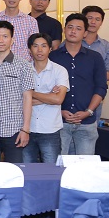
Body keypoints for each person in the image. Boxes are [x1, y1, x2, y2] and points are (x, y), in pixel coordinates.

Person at [49, 14, 108, 155]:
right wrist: (59, 111)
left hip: (86, 123)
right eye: (70, 27)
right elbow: (44, 88)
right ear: (64, 30)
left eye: (78, 28)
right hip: (58, 122)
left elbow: (101, 88)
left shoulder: (95, 57)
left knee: (85, 166)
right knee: (58, 165)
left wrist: (88, 112)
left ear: (85, 33)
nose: (73, 31)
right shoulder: (52, 57)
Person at [0, 21, 36, 163]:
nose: (0, 40)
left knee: (14, 171)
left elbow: (27, 98)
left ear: (12, 40)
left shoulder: (24, 65)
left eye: (5, 36)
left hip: (14, 130)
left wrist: (25, 129)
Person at [23, 33, 68, 163]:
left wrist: (30, 93)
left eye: (43, 46)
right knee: (27, 170)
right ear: (29, 49)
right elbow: (18, 101)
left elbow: (58, 100)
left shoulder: (60, 71)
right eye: (35, 46)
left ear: (50, 49)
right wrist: (49, 95)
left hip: (50, 130)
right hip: (27, 129)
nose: (39, 50)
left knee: (51, 170)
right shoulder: (23, 69)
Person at [81, 5, 109, 85]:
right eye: (90, 18)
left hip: (97, 90)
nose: (93, 22)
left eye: (97, 19)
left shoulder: (107, 47)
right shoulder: (70, 43)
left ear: (101, 23)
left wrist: (83, 74)